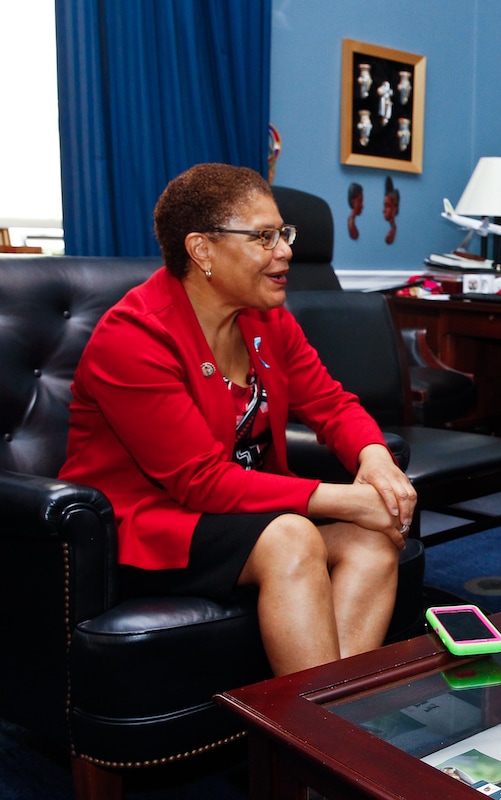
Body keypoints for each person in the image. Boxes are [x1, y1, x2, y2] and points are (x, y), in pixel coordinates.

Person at [59, 163, 417, 677]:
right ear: (202, 249)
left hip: (240, 512)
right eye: (264, 237)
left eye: (284, 234)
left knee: (373, 540)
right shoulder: (133, 338)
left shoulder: (267, 318)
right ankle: (315, 739)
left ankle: (337, 717)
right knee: (292, 536)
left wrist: (374, 458)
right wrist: (347, 498)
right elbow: (198, 481)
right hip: (148, 525)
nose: (286, 251)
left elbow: (332, 403)